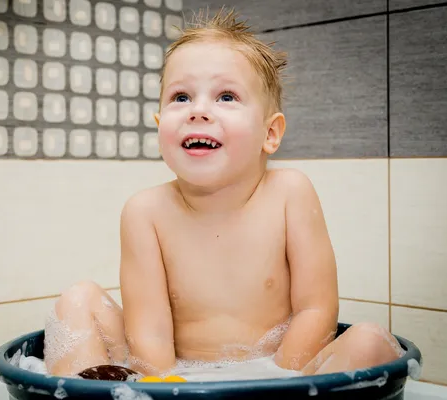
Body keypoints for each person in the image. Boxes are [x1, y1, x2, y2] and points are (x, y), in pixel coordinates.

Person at [42, 7, 404, 380]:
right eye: (180, 97)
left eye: (226, 97)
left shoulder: (289, 193)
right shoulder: (145, 212)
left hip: (279, 372)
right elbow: (148, 333)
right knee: (77, 300)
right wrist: (167, 385)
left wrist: (280, 379)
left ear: (270, 133)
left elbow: (316, 310)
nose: (198, 111)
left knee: (370, 340)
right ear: (159, 126)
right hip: (177, 377)